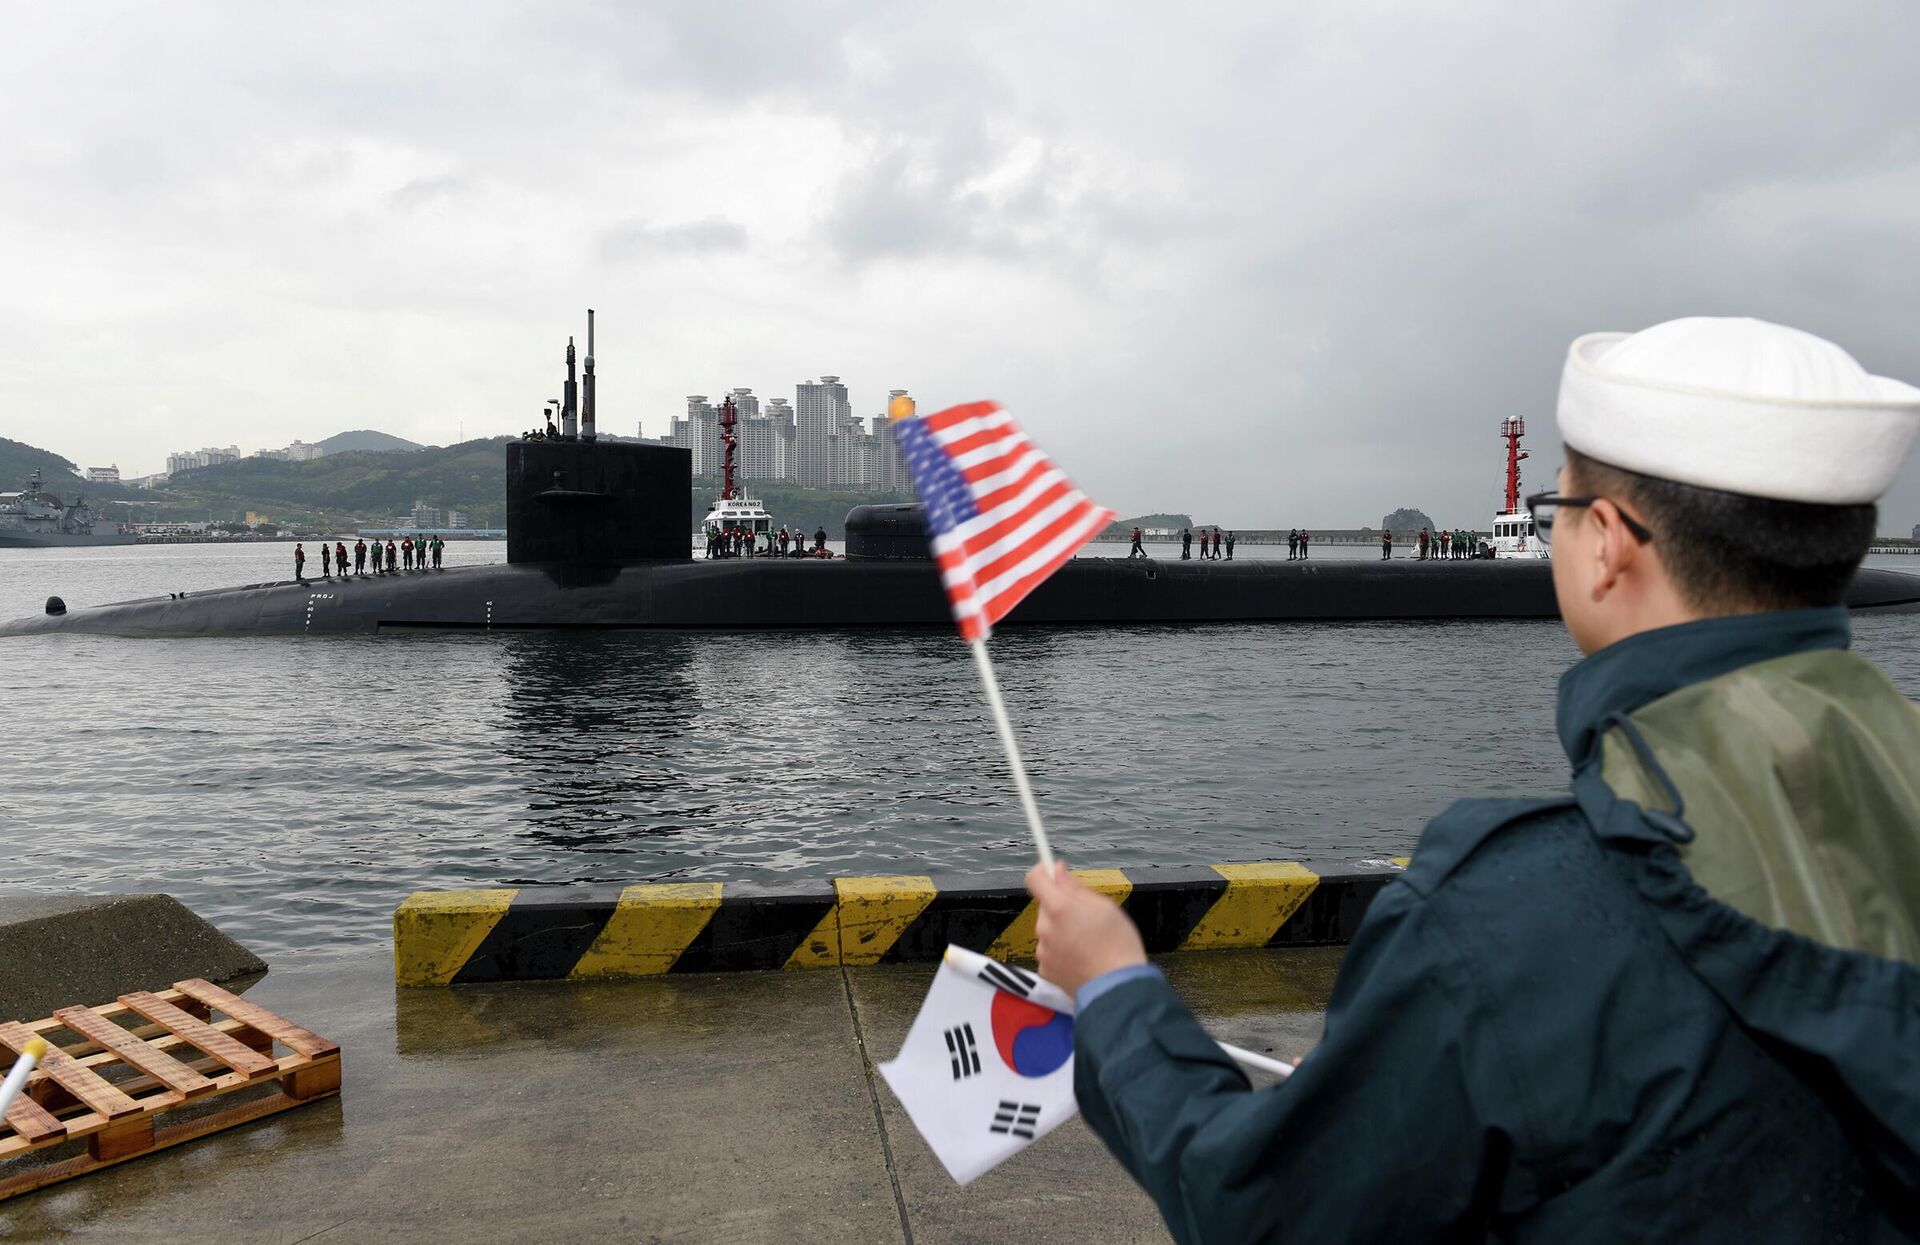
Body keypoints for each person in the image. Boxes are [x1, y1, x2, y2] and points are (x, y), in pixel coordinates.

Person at [1023, 316, 1920, 1239]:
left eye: (1560, 511)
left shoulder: (1500, 919)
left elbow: (1257, 1213)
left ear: (1607, 543)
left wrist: (1114, 989)